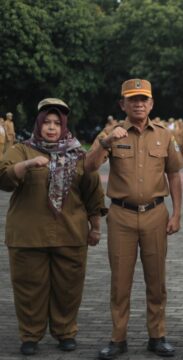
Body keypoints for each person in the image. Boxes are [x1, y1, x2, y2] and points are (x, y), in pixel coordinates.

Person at [84, 79, 183, 359]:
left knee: (156, 281)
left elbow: (174, 174)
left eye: (143, 99)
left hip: (155, 214)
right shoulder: (110, 133)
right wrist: (106, 142)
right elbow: (89, 167)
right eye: (132, 100)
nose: (138, 104)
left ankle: (158, 336)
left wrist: (176, 213)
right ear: (122, 104)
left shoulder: (164, 135)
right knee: (120, 281)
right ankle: (118, 339)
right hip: (121, 216)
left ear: (151, 103)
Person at [0, 98, 105, 355]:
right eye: (46, 122)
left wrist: (95, 228)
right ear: (38, 123)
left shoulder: (79, 154)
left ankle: (65, 331)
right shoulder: (22, 150)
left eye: (56, 123)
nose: (51, 127)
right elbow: (3, 178)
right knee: (29, 289)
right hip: (28, 236)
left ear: (64, 126)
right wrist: (26, 166)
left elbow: (93, 194)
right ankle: (30, 335)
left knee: (68, 289)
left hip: (70, 234)